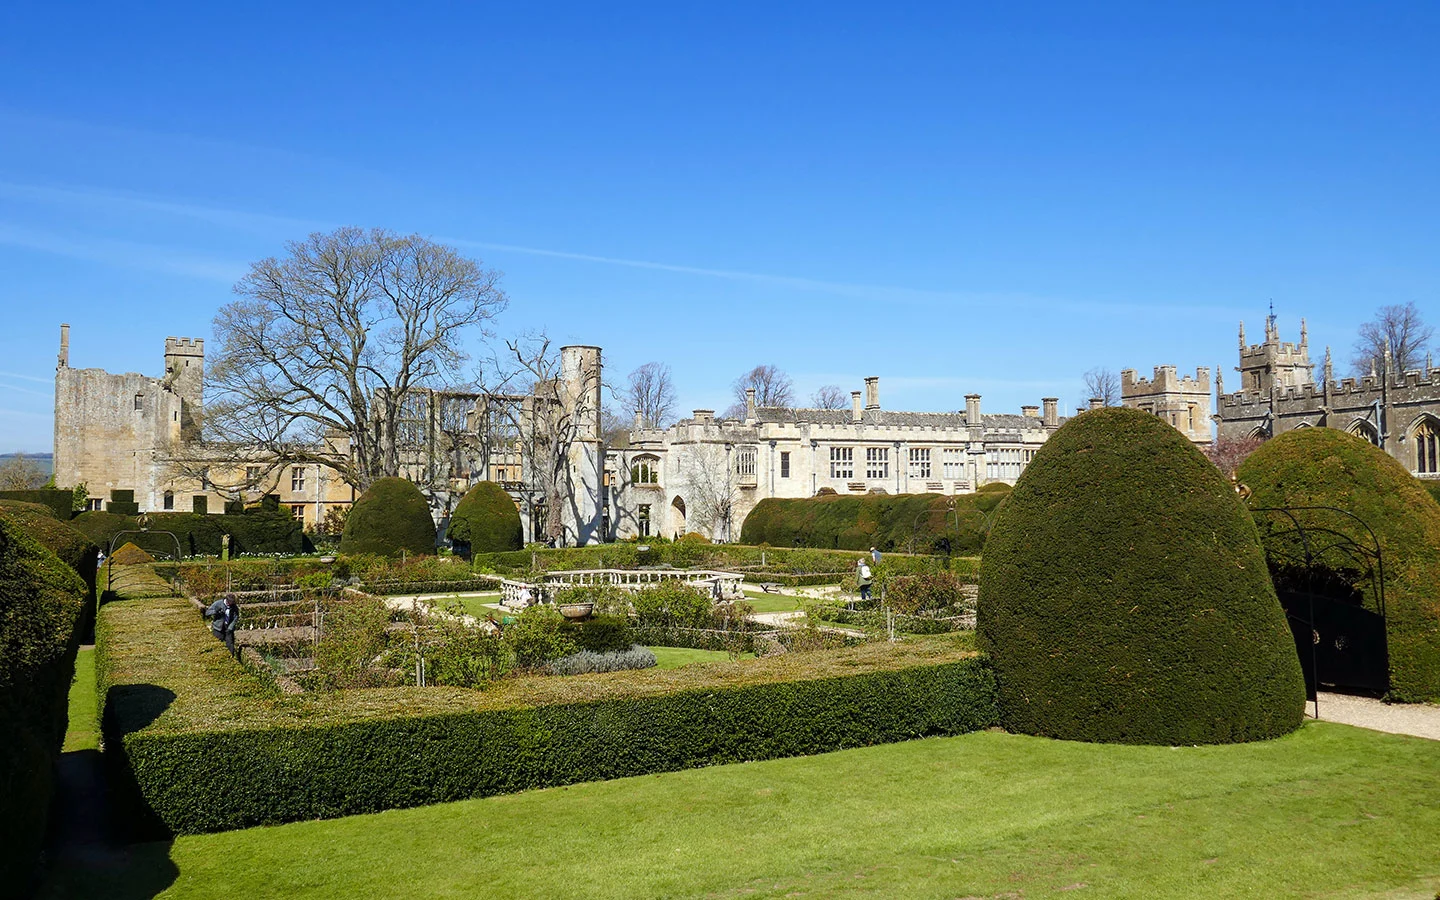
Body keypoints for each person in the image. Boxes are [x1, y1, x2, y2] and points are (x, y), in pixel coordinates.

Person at [205, 593, 241, 660]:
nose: (231, 604)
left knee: (230, 645)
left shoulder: (234, 607)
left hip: (228, 629)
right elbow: (207, 612)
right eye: (230, 603)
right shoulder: (218, 603)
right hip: (218, 628)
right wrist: (216, 611)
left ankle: (231, 659)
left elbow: (236, 617)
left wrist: (230, 628)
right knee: (217, 645)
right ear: (226, 600)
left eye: (232, 603)